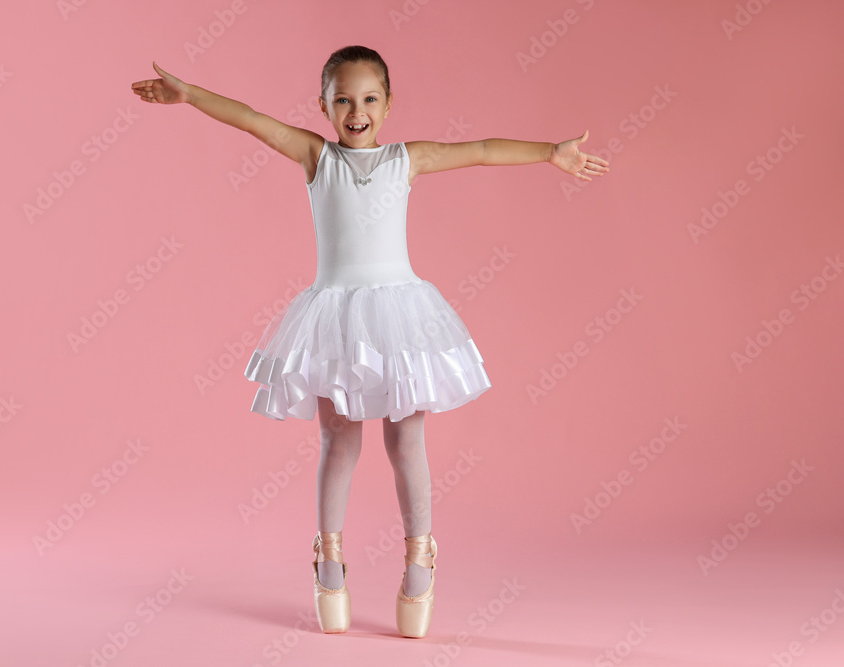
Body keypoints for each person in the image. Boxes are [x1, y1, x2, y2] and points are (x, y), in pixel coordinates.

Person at [131, 44, 608, 638]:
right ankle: (329, 561)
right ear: (325, 106)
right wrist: (190, 95)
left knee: (408, 438)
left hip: (398, 315)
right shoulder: (315, 156)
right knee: (337, 439)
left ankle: (420, 559)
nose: (357, 111)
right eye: (343, 100)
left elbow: (482, 151)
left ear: (389, 103)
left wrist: (550, 154)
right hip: (335, 317)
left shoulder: (408, 159)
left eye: (370, 99)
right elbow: (252, 118)